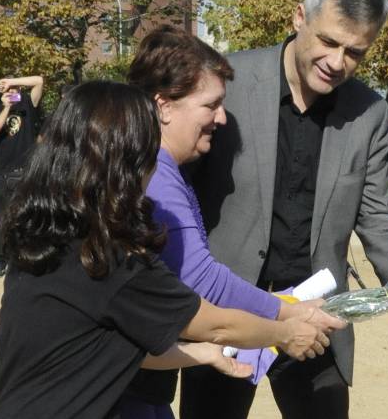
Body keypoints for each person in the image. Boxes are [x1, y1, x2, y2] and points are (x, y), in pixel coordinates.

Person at [0, 81, 331, 418]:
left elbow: (105, 347)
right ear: (128, 163)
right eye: (151, 151)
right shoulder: (106, 259)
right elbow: (216, 325)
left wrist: (202, 354)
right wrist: (285, 332)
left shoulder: (44, 236)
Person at [189, 0, 388, 419]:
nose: (337, 62)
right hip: (226, 311)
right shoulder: (227, 82)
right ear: (300, 17)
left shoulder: (370, 113)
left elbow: (378, 214)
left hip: (315, 316)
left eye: (355, 52)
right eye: (328, 42)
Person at [118, 26, 346, 418]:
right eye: (211, 105)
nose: (221, 118)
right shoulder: (155, 175)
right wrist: (285, 314)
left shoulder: (163, 169)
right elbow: (201, 281)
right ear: (164, 106)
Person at [0, 75, 44, 278]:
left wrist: (13, 82)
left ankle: (24, 260)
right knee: (2, 221)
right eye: (8, 90)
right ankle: (0, 262)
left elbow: (39, 81)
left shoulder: (27, 105)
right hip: (2, 175)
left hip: (24, 172)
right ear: (1, 93)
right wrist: (6, 108)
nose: (12, 92)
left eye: (15, 89)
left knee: (26, 218)